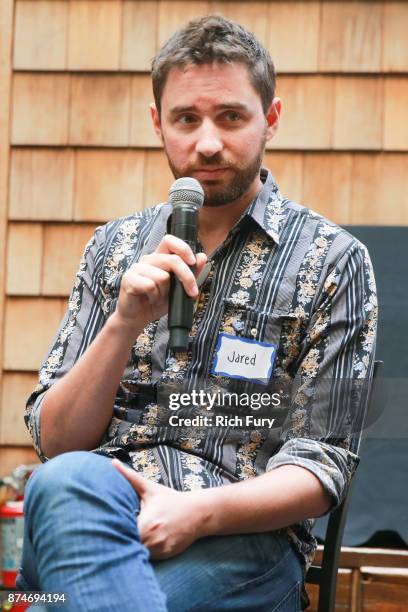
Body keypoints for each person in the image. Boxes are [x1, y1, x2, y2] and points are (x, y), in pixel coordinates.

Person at [17, 14, 377, 612]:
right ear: (160, 124)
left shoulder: (335, 261)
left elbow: (323, 464)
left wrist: (195, 513)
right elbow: (56, 442)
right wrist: (124, 321)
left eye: (230, 117)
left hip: (244, 539)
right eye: (187, 119)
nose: (207, 142)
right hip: (103, 513)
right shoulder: (114, 248)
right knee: (61, 481)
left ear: (272, 119)